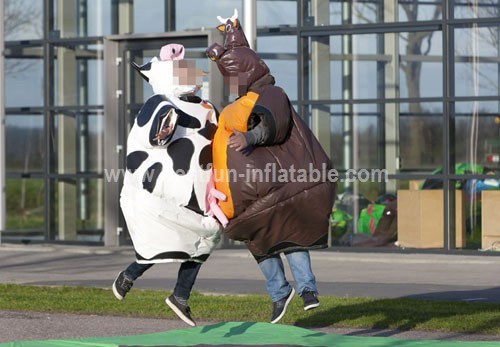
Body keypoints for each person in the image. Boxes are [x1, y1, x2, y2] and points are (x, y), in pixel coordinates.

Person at [206, 10, 336, 324]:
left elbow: (272, 124)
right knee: (259, 240)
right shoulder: (242, 102)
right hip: (252, 197)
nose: (232, 83)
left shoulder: (272, 94)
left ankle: (307, 289)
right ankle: (279, 293)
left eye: (235, 75)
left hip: (282, 186)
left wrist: (249, 137)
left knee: (289, 235)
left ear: (248, 70)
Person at [112, 44, 227, 327]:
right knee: (163, 239)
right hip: (169, 190)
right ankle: (129, 274)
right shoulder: (161, 104)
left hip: (200, 191)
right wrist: (165, 126)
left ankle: (180, 296)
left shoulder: (207, 106)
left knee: (203, 242)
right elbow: (154, 136)